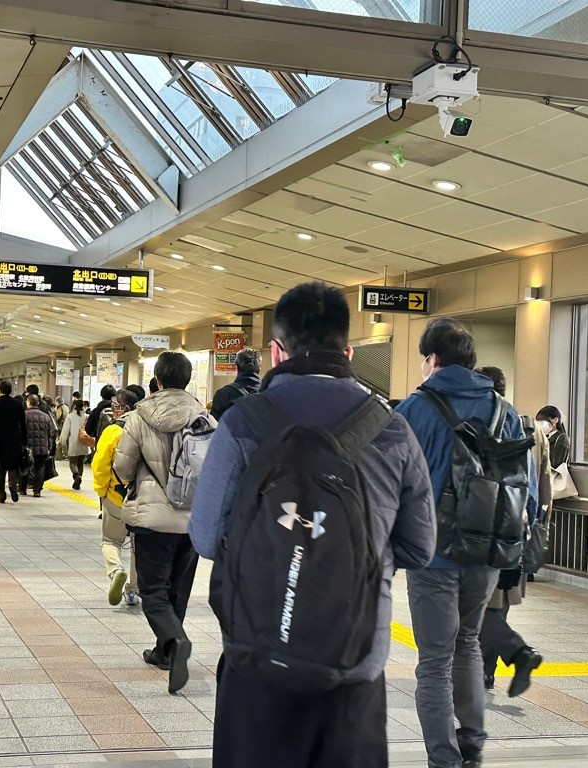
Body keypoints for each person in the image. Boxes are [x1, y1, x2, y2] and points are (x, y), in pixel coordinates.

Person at [189, 282, 436, 768]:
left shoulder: (243, 422)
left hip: (258, 657)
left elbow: (204, 536)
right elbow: (420, 546)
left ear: (276, 350)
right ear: (347, 351)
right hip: (355, 663)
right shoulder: (392, 427)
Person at [395, 318, 537, 768]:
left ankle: (444, 759)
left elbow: (387, 483)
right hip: (488, 549)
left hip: (433, 552)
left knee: (434, 661)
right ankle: (471, 744)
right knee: (469, 642)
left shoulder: (414, 409)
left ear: (431, 360)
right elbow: (525, 488)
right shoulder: (504, 409)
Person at [114, 352, 205, 694]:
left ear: (158, 381)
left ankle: (175, 641)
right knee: (177, 589)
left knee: (153, 591)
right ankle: (164, 653)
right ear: (187, 380)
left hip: (152, 518)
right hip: (192, 519)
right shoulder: (203, 416)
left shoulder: (139, 417)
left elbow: (122, 467)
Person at [476, 367, 546, 698]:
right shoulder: (530, 428)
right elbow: (539, 488)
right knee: (496, 605)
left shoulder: (489, 427)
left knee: (481, 608)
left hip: (487, 531)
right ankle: (486, 675)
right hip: (518, 530)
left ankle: (515, 654)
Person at [92, 389, 141, 608]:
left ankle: (116, 570)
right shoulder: (145, 429)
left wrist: (101, 491)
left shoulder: (113, 431)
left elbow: (100, 465)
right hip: (143, 499)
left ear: (125, 408)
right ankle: (133, 592)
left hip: (116, 496)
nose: (113, 411)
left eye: (116, 407)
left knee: (111, 541)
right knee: (138, 546)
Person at [0, 380, 28, 503]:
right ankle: (12, 484)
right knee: (14, 465)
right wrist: (24, 441)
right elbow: (23, 424)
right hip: (14, 438)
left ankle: (1, 494)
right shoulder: (17, 404)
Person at [210, 348, 261, 421]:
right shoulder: (270, 394)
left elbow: (214, 429)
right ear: (259, 370)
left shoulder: (223, 395)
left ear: (237, 368)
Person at [23, 395, 55, 498]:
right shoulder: (46, 416)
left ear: (28, 403)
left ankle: (22, 489)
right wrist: (49, 446)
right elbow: (51, 433)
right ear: (37, 403)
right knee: (40, 468)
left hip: (28, 448)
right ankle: (37, 491)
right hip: (42, 447)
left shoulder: (24, 415)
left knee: (25, 467)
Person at [59, 399, 90, 490]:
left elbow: (65, 430)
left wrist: (62, 441)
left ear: (74, 406)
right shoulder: (86, 416)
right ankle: (78, 481)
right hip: (84, 442)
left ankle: (76, 477)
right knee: (80, 462)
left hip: (73, 442)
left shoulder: (70, 417)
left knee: (72, 461)